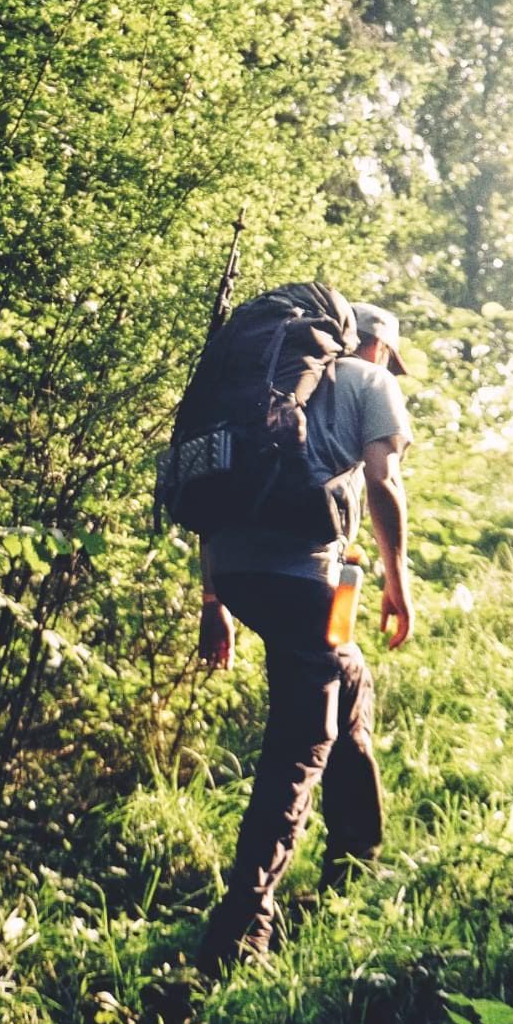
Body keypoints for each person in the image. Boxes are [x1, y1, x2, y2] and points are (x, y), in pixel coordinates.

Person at [196, 299, 415, 973]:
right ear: (374, 348)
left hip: (244, 574)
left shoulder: (258, 385)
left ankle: (354, 860)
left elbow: (213, 489)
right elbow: (383, 481)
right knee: (300, 744)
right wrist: (397, 580)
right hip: (305, 580)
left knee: (348, 679)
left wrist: (213, 599)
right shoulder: (370, 384)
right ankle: (240, 932)